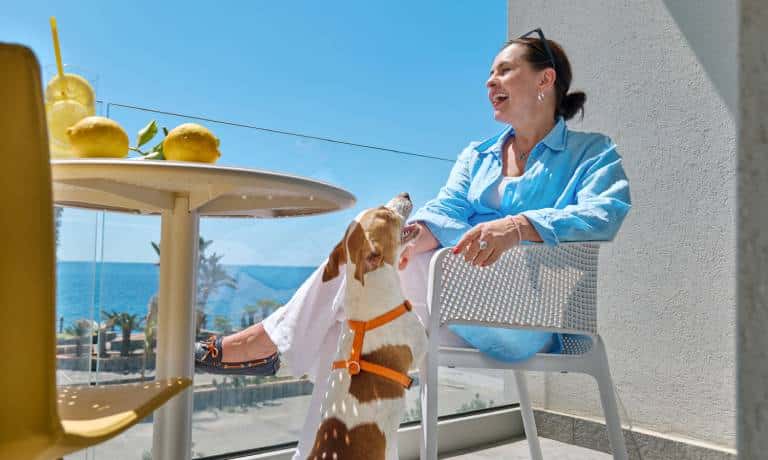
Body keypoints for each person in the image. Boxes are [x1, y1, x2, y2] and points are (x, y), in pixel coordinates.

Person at [194, 29, 631, 458]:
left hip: (531, 321)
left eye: (504, 70)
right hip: (454, 309)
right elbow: (443, 212)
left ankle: (267, 340)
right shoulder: (476, 156)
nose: (489, 81)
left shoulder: (591, 152)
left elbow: (605, 211)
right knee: (360, 311)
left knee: (384, 281)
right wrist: (401, 243)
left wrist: (518, 226)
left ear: (544, 79)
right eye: (489, 73)